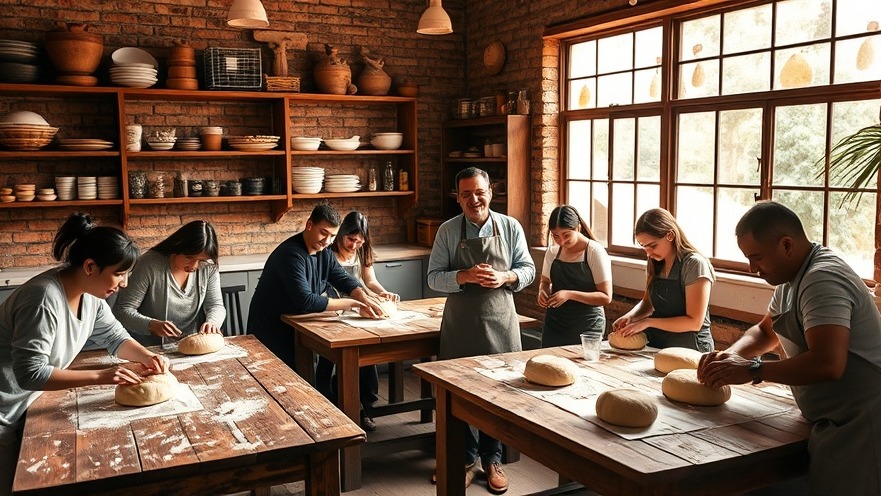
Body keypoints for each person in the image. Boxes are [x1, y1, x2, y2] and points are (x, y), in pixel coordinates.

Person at [698, 201, 881, 495]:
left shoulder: (822, 278)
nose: (752, 268)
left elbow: (828, 363)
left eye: (756, 258)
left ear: (786, 245)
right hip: (833, 418)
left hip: (865, 421)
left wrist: (754, 369)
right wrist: (733, 354)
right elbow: (765, 330)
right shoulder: (789, 279)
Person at [0, 213, 169, 496]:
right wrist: (101, 376)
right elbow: (30, 373)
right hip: (4, 409)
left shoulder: (92, 296)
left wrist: (145, 356)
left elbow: (115, 337)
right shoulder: (43, 299)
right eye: (120, 273)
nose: (125, 283)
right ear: (90, 266)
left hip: (28, 403)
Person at [427, 167, 535, 494]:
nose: (474, 199)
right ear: (457, 198)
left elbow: (528, 269)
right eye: (466, 194)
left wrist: (506, 278)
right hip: (461, 321)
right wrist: (463, 276)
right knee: (458, 390)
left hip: (501, 318)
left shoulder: (511, 227)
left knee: (499, 392)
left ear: (491, 191)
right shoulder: (448, 231)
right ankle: (463, 460)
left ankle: (493, 459)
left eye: (479, 192)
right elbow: (433, 278)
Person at [248, 203, 385, 376]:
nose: (327, 241)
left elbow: (342, 278)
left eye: (332, 236)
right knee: (279, 380)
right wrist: (353, 303)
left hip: (295, 324)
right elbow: (306, 300)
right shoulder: (291, 254)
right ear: (309, 225)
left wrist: (363, 296)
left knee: (302, 380)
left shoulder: (324, 251)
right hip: (270, 328)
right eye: (324, 233)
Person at [325, 211, 400, 431]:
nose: (355, 244)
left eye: (360, 241)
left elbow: (369, 281)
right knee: (333, 360)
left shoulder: (362, 252)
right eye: (351, 239)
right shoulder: (328, 254)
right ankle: (336, 406)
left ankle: (364, 407)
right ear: (341, 234)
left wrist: (383, 293)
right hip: (334, 312)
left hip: (361, 311)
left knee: (365, 355)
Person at [611, 208, 715, 352]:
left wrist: (647, 322)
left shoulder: (694, 264)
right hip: (659, 345)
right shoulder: (655, 261)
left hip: (692, 348)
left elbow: (694, 322)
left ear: (670, 235)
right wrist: (631, 317)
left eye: (652, 246)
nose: (648, 253)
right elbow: (647, 304)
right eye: (643, 246)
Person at [113, 220, 225, 347]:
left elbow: (216, 305)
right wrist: (151, 325)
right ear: (177, 247)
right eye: (189, 257)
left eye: (201, 260)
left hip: (189, 344)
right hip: (146, 347)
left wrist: (212, 323)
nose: (194, 266)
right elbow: (122, 310)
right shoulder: (150, 264)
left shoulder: (209, 267)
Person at [538, 205, 612, 347]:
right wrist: (542, 291)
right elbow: (545, 281)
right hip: (555, 323)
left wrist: (570, 294)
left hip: (587, 325)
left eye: (566, 235)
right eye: (555, 236)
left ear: (577, 228)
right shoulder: (553, 252)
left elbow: (606, 297)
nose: (561, 241)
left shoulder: (594, 251)